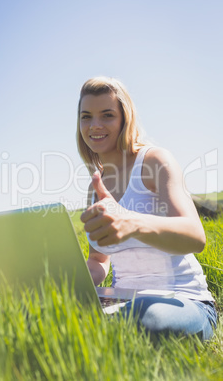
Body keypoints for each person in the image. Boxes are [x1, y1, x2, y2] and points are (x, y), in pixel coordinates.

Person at [77, 76, 217, 341]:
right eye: (86, 117)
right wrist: (65, 284)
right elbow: (98, 261)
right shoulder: (95, 186)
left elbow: (195, 237)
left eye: (107, 115)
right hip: (123, 301)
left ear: (124, 118)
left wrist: (132, 223)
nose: (94, 125)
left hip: (183, 302)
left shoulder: (154, 160)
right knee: (32, 310)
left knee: (144, 316)